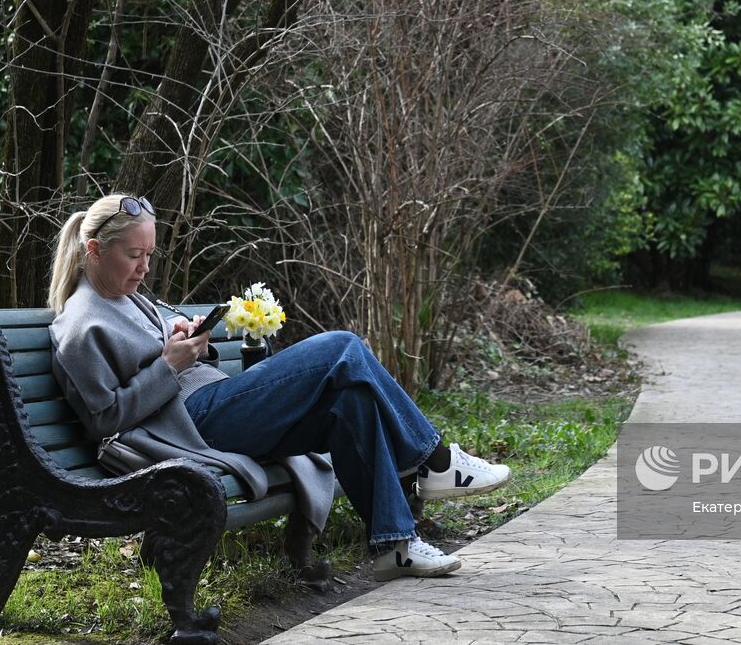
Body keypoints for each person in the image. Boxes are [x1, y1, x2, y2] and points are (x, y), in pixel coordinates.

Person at [47, 193, 510, 581]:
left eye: (149, 254)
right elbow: (104, 419)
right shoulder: (81, 324)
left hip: (210, 407)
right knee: (342, 347)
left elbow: (162, 358)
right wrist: (169, 365)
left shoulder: (127, 296)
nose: (145, 267)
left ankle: (396, 545)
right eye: (134, 255)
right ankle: (435, 462)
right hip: (191, 428)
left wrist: (188, 343)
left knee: (348, 402)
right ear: (93, 250)